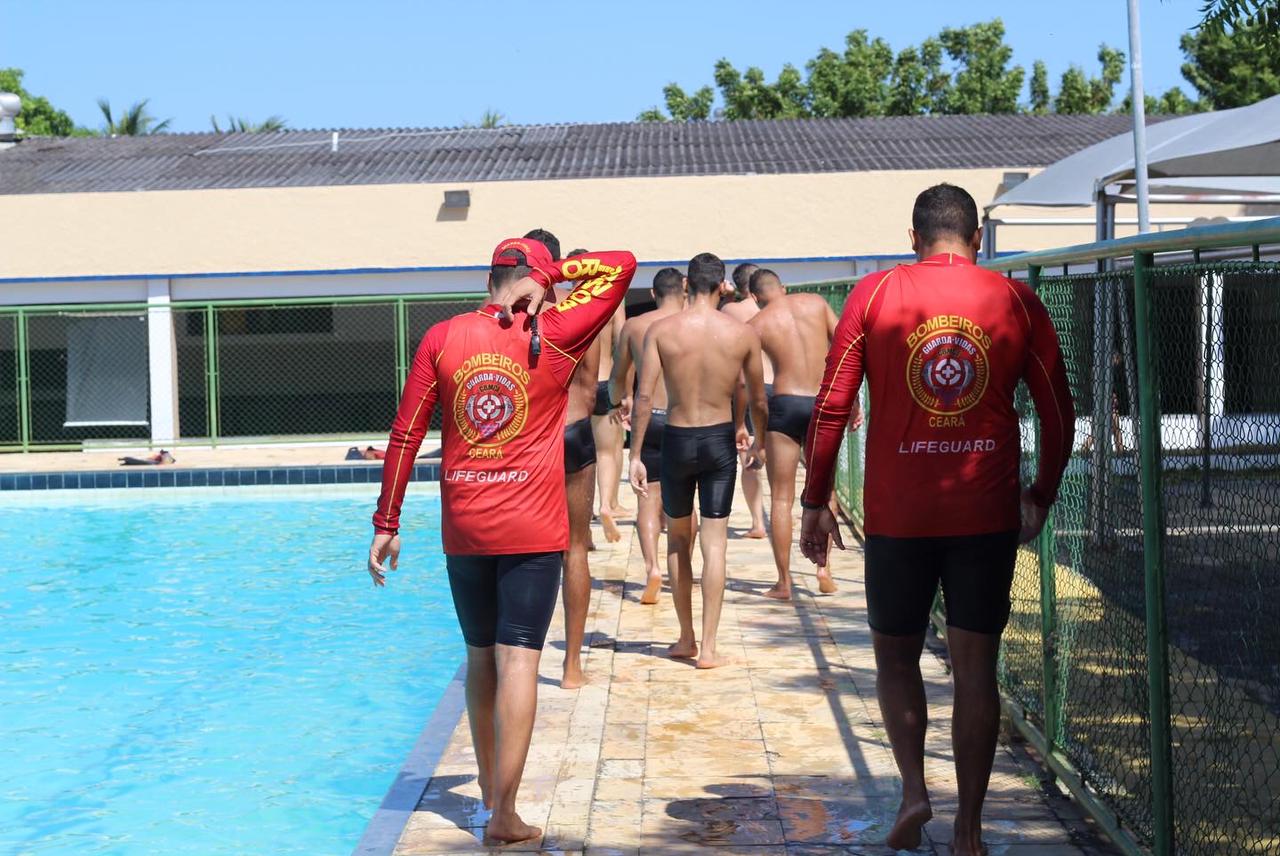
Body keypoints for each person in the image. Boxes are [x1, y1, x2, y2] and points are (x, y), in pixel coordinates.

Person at [797, 184, 1074, 855]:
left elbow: (832, 406)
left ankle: (914, 792)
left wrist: (816, 498)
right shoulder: (1014, 299)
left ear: (914, 237)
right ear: (976, 238)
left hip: (899, 513)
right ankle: (969, 830)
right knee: (975, 666)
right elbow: (1058, 411)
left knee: (896, 658)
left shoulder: (874, 295)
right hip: (985, 509)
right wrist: (1041, 492)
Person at [368, 238, 635, 845]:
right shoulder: (556, 331)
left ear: (487, 277)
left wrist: (387, 521)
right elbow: (621, 265)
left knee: (480, 656)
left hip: (465, 524)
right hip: (531, 524)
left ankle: (489, 791)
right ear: (532, 279)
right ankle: (504, 814)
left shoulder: (442, 337)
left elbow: (405, 433)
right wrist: (554, 274)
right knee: (519, 659)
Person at [629, 253, 767, 669]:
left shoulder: (661, 331)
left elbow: (644, 396)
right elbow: (757, 396)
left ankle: (686, 637)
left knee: (677, 540)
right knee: (715, 542)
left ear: (687, 285)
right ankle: (708, 648)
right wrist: (757, 440)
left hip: (676, 439)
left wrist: (635, 454)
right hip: (718, 441)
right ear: (723, 286)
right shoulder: (741, 334)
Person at [524, 232, 601, 690]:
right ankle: (571, 667)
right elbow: (591, 387)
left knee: (523, 552)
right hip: (575, 431)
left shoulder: (510, 317)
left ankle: (520, 661)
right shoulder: (579, 316)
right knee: (575, 548)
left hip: (532, 440)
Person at [746, 268, 843, 599]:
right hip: (822, 402)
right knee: (825, 492)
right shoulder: (816, 303)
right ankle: (823, 569)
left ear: (754, 297)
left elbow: (755, 393)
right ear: (783, 287)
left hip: (785, 403)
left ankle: (784, 582)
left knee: (781, 498)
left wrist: (759, 437)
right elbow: (845, 347)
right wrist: (851, 402)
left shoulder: (756, 325)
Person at [608, 267, 687, 605]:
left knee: (647, 498)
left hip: (650, 417)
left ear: (653, 294)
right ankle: (682, 569)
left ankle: (652, 567)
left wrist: (619, 400)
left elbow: (618, 375)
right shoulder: (694, 325)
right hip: (686, 419)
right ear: (683, 291)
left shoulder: (635, 326)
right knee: (685, 501)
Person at [720, 262, 771, 539]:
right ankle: (783, 513)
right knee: (778, 455)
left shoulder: (731, 311)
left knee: (749, 460)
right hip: (779, 387)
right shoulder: (774, 308)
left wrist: (727, 297)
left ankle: (757, 522)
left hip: (748, 388)